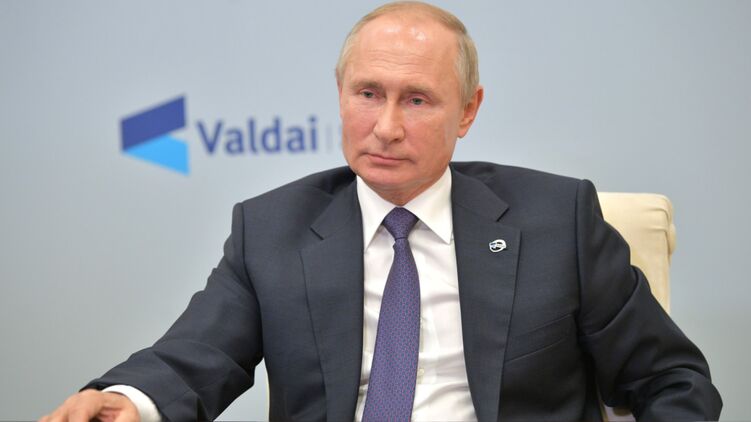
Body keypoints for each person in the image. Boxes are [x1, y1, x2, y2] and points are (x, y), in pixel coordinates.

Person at [41, 2, 722, 421]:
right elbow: (196, 357)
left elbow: (670, 380)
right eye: (367, 93)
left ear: (467, 112)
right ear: (340, 93)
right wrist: (128, 401)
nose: (386, 127)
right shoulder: (271, 229)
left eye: (417, 100)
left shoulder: (556, 220)